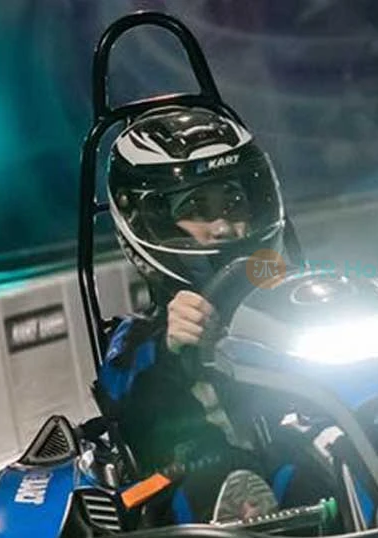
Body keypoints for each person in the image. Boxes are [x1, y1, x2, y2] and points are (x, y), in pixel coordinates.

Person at [95, 105, 299, 525]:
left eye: (234, 202)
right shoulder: (141, 336)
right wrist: (169, 349)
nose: (224, 227)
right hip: (190, 486)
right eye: (198, 208)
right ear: (150, 221)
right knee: (212, 467)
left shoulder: (290, 296)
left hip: (293, 454)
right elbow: (122, 395)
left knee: (320, 453)